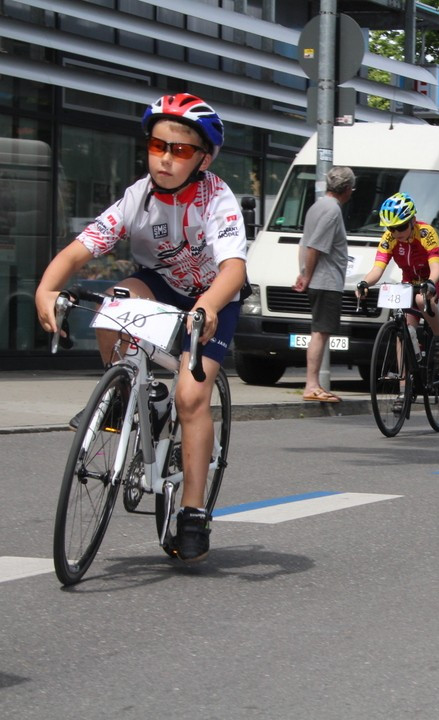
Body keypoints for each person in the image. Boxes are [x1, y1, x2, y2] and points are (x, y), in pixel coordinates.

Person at [34, 93, 246, 563]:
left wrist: (209, 305)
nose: (166, 158)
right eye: (157, 145)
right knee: (114, 302)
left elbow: (232, 268)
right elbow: (78, 251)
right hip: (160, 284)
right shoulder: (138, 196)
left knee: (192, 398)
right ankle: (132, 391)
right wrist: (46, 290)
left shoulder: (218, 198)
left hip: (214, 295)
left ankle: (191, 511)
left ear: (204, 158)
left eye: (181, 150)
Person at [355, 192, 439, 409]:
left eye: (400, 227)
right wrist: (364, 284)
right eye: (391, 228)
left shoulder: (426, 233)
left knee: (421, 299)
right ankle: (403, 390)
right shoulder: (389, 239)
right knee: (404, 331)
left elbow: (436, 265)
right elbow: (377, 270)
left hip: (435, 276)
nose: (395, 232)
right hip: (410, 279)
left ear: (411, 221)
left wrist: (430, 283)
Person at [293, 166, 354, 403]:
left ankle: (313, 384)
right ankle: (312, 385)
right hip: (326, 281)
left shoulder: (317, 206)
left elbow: (304, 243)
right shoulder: (332, 210)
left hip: (318, 278)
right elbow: (315, 246)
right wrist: (307, 276)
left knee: (318, 331)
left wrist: (302, 273)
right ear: (347, 189)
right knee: (320, 333)